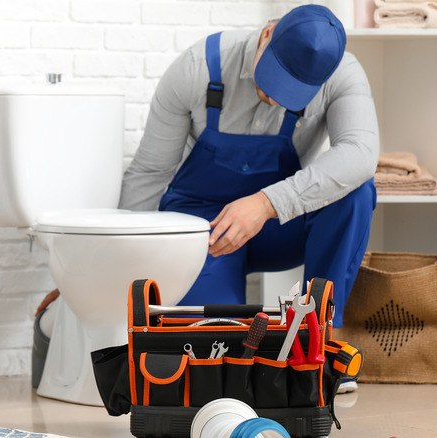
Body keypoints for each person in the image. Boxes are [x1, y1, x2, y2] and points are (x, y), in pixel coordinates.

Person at [120, 4, 378, 329]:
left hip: (278, 225)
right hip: (206, 233)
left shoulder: (341, 74)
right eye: (274, 78)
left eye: (293, 92)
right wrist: (116, 265)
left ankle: (318, 336)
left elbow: (360, 153)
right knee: (212, 344)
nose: (274, 98)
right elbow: (150, 173)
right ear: (267, 33)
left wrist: (266, 204)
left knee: (355, 192)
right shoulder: (198, 66)